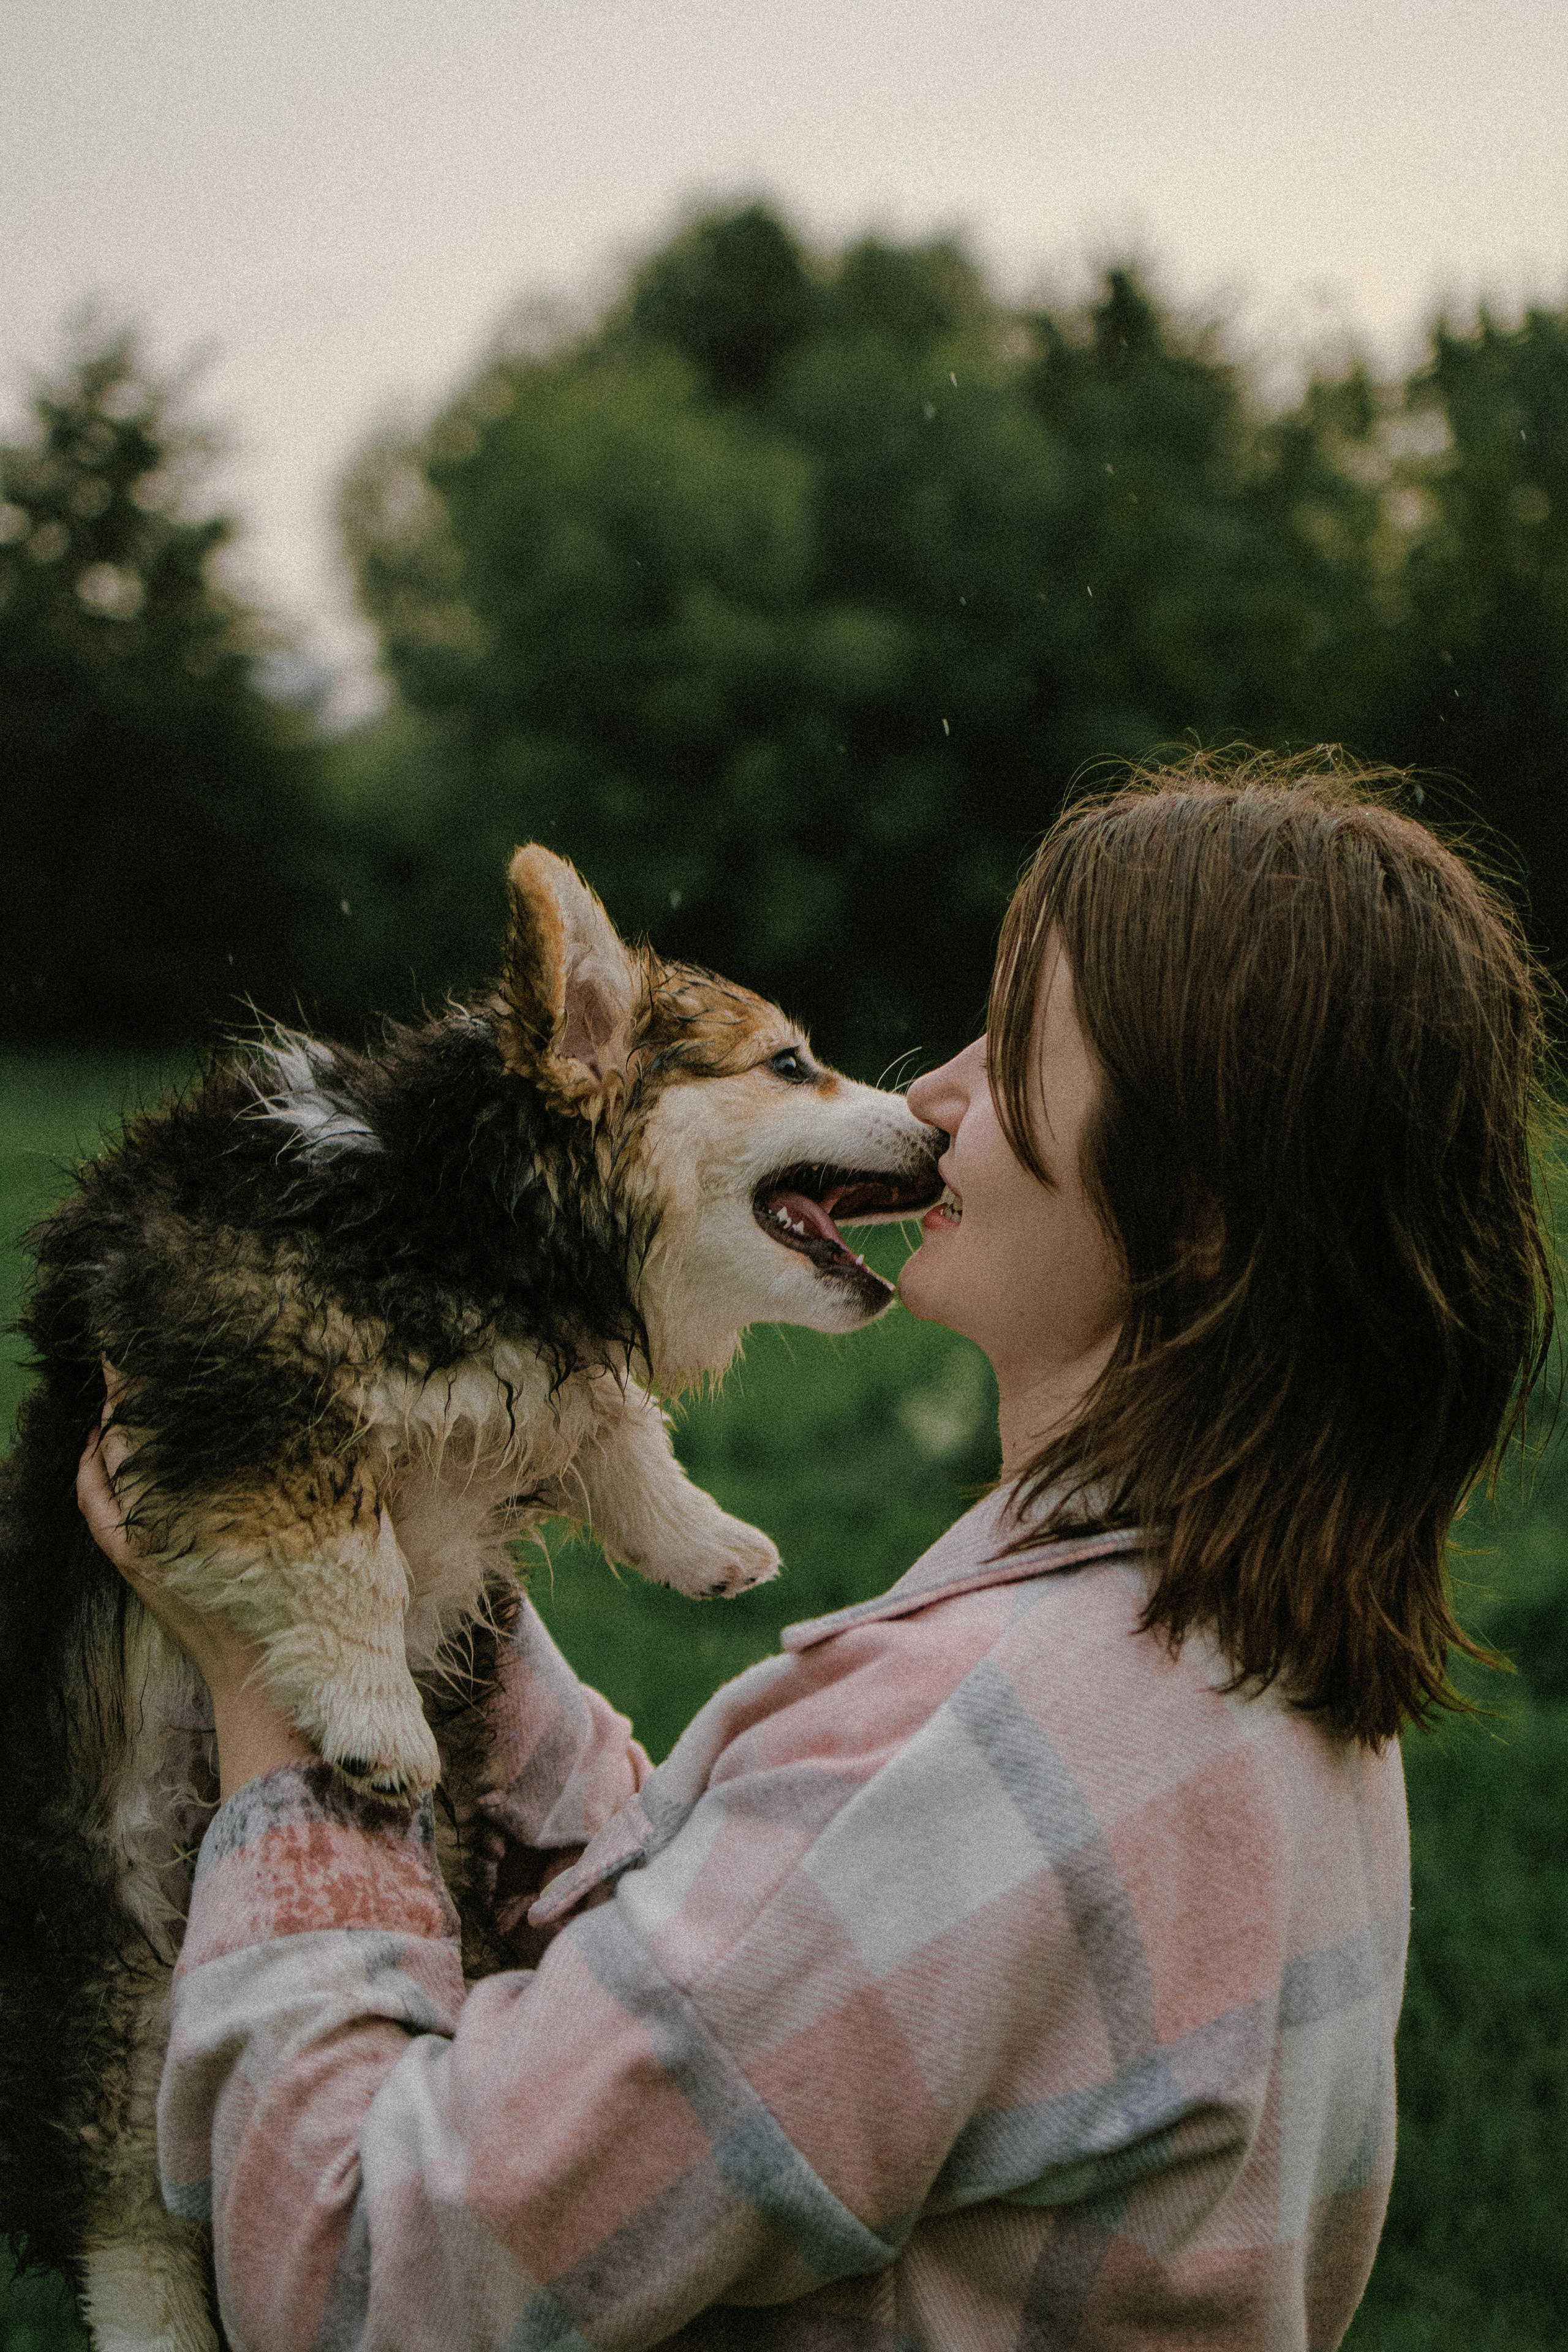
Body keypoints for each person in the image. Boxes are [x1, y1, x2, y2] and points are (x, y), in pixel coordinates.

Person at [79, 754, 1556, 2351]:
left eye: (1021, 1052)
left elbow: (357, 2271)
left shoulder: (972, 1757)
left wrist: (275, 1704)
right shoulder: (1266, 1660)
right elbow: (734, 1969)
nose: (935, 1095)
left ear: (1192, 1215)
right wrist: (442, 1551)